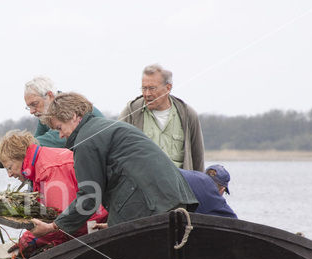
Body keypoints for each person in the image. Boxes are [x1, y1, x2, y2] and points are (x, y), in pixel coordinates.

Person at [30, 92, 198, 237]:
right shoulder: (106, 127)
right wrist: (116, 221)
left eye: (59, 128)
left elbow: (90, 196)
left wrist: (53, 227)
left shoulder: (85, 141)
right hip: (175, 197)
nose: (60, 136)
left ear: (73, 116)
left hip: (152, 206)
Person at [0, 130, 108, 255]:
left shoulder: (48, 170)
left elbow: (66, 221)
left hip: (96, 226)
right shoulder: (42, 161)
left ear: (20, 157)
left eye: (10, 167)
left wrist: (30, 240)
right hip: (89, 222)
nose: (9, 174)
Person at [118, 64, 205, 171]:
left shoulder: (188, 114)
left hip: (178, 185)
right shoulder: (130, 112)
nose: (147, 94)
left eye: (152, 88)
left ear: (168, 88)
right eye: (144, 88)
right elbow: (116, 152)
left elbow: (198, 158)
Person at [24, 76, 104, 148]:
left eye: (34, 104)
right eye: (29, 107)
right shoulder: (45, 113)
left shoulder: (66, 106)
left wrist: (20, 147)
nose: (31, 111)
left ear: (49, 95)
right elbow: (36, 140)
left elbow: (58, 139)